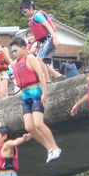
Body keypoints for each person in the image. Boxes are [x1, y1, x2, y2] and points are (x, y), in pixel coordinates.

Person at [9, 36, 62, 164]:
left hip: (35, 92)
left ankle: (55, 147)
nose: (13, 54)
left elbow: (41, 74)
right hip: (25, 95)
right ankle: (49, 149)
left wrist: (44, 93)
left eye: (15, 50)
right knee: (29, 127)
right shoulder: (15, 64)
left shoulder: (30, 58)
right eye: (12, 52)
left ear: (23, 48)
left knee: (38, 123)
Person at [20, 0, 66, 84]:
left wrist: (55, 37)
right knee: (38, 61)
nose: (25, 13)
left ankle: (47, 81)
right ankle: (59, 76)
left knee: (40, 59)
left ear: (31, 8)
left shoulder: (37, 15)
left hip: (49, 38)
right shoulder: (31, 19)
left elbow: (47, 25)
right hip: (42, 42)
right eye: (23, 12)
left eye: (25, 11)